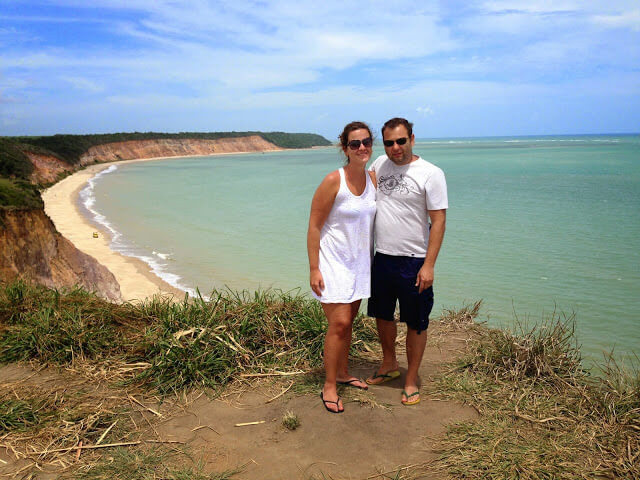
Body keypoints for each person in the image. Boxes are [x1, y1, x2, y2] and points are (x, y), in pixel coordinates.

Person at [366, 117, 448, 406]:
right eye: (389, 142)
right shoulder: (378, 164)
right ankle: (389, 364)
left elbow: (438, 222)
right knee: (383, 315)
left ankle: (411, 378)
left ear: (412, 139)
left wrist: (429, 265)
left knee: (416, 322)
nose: (395, 147)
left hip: (414, 261)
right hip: (383, 257)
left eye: (401, 141)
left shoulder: (431, 173)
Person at [307, 121, 377, 413]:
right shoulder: (333, 181)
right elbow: (313, 226)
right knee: (339, 324)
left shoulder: (373, 178)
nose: (361, 148)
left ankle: (343, 372)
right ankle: (329, 386)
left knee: (349, 323)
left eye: (366, 142)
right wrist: (314, 268)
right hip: (333, 263)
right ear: (344, 148)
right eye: (354, 144)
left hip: (360, 264)